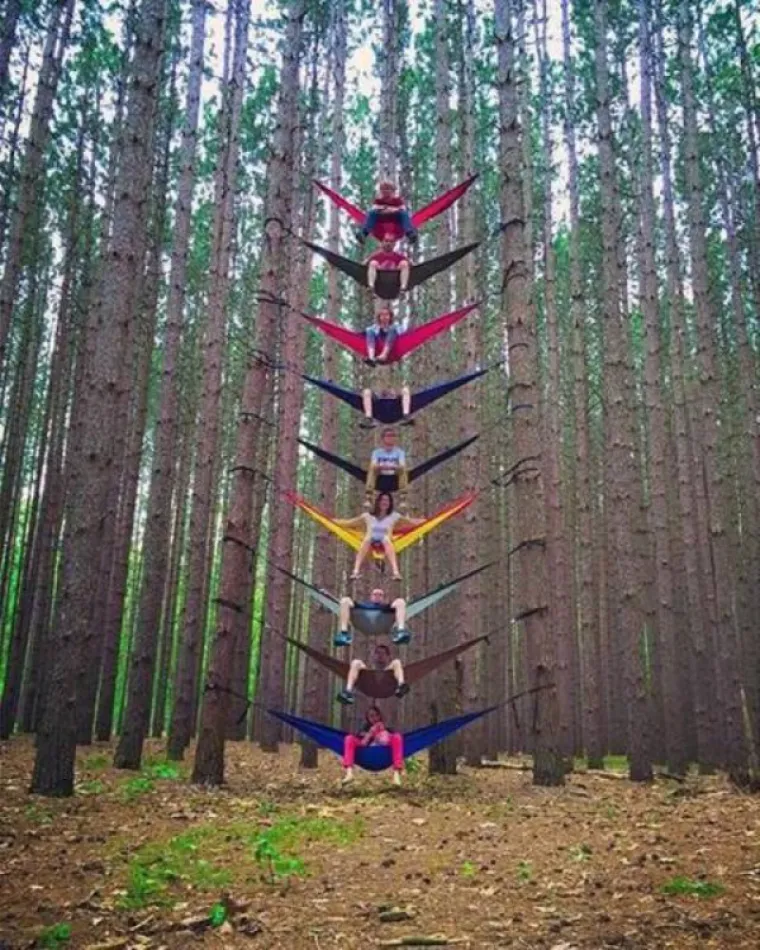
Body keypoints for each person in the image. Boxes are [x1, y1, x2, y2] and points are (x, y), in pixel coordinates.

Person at [334, 492, 424, 580]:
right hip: (370, 544)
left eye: (387, 500)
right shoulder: (367, 516)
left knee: (385, 539)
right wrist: (330, 520)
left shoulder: (395, 516)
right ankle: (355, 571)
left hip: (386, 544)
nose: (385, 502)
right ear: (378, 502)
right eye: (382, 500)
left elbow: (411, 523)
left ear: (390, 503)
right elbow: (348, 523)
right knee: (368, 539)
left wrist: (428, 521)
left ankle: (396, 572)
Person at [341, 704, 405, 786]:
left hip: (384, 754)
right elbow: (362, 742)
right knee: (349, 738)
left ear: (380, 716)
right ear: (367, 718)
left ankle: (396, 775)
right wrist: (369, 733)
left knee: (397, 737)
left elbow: (393, 741)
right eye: (371, 716)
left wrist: (383, 733)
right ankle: (349, 773)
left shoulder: (387, 729)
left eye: (376, 715)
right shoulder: (364, 730)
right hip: (366, 754)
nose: (374, 718)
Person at [335, 587, 410, 647]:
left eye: (380, 595)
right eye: (375, 594)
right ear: (371, 597)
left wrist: (398, 604)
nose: (377, 596)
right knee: (345, 600)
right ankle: (343, 633)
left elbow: (398, 606)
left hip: (384, 622)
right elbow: (352, 605)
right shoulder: (362, 605)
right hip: (362, 620)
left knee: (401, 601)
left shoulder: (388, 607)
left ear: (383, 598)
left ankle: (401, 632)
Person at [338, 643, 409, 705]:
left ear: (388, 657)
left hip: (387, 688)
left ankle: (401, 686)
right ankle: (348, 691)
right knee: (356, 662)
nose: (380, 656)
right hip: (369, 686)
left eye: (383, 653)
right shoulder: (367, 674)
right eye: (377, 653)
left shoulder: (392, 669)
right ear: (373, 656)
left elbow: (395, 665)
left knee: (397, 662)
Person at [356, 180, 418, 245]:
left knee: (404, 214)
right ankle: (364, 233)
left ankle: (410, 233)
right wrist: (387, 209)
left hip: (394, 218)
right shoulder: (378, 200)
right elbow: (375, 208)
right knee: (371, 213)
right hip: (381, 218)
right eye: (383, 189)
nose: (385, 191)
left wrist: (391, 209)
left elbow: (402, 209)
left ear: (393, 191)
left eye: (388, 189)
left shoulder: (397, 200)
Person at [365, 427, 409, 501]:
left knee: (403, 469)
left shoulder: (400, 452)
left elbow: (401, 465)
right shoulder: (376, 452)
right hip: (380, 476)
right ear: (383, 438)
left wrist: (389, 467)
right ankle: (369, 495)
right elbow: (374, 465)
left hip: (394, 476)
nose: (391, 438)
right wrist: (384, 467)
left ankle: (403, 496)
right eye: (388, 435)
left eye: (393, 436)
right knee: (372, 468)